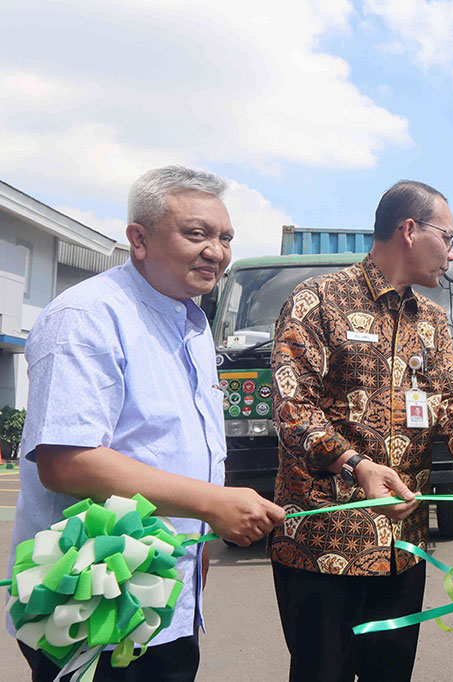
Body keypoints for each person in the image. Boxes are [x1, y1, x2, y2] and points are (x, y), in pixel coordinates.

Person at [7, 165, 286, 682]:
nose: (217, 252)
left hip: (163, 592)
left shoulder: (193, 323)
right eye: (196, 234)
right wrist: (213, 504)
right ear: (138, 239)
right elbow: (67, 461)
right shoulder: (88, 316)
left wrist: (197, 537)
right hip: (92, 601)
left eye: (225, 238)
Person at [269, 180, 453, 682]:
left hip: (402, 547)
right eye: (447, 237)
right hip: (322, 542)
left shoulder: (434, 321)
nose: (452, 252)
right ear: (409, 229)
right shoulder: (318, 300)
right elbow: (294, 409)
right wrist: (357, 466)